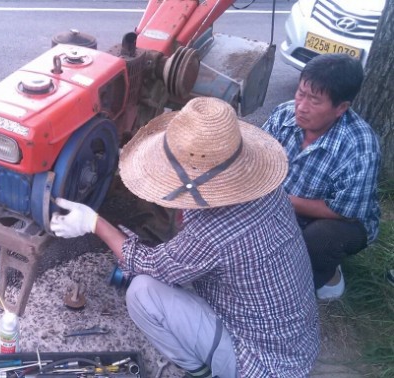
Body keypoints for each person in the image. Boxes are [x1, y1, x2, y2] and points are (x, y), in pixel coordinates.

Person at [50, 97, 320, 377]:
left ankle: (200, 372)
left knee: (142, 293)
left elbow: (149, 265)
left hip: (261, 363)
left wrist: (93, 222)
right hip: (295, 343)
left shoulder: (214, 233)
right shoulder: (266, 190)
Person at [261, 53, 381, 300]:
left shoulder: (360, 146)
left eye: (314, 101)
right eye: (301, 93)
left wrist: (281, 200)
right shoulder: (284, 115)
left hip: (338, 221)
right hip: (282, 204)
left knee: (319, 241)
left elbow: (345, 212)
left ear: (341, 108)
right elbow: (258, 158)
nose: (301, 107)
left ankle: (327, 274)